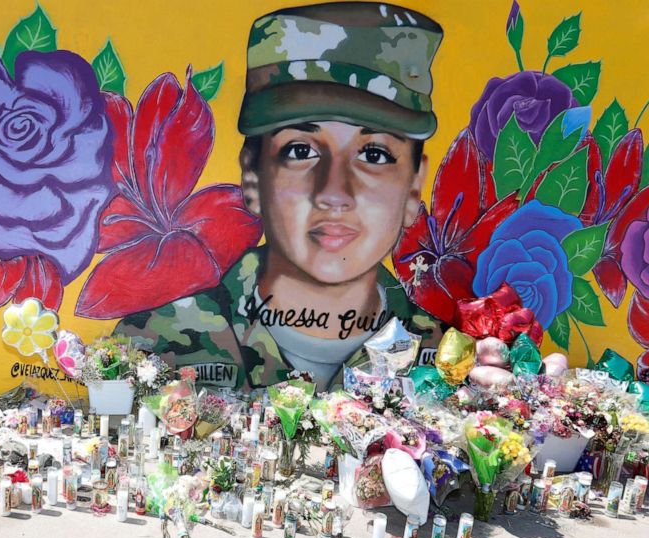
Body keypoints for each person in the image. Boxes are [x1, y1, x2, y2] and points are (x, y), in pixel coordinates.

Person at [117, 2, 444, 391]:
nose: (334, 194)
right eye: (300, 151)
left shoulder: (452, 365)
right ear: (253, 177)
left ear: (412, 187)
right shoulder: (150, 350)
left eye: (374, 154)